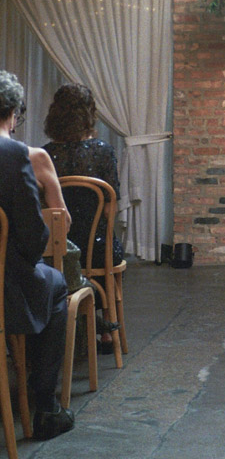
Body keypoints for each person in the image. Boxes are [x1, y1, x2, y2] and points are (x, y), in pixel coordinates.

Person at [0, 70, 75, 440]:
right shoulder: (14, 154)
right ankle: (44, 406)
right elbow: (32, 238)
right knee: (56, 284)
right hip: (6, 288)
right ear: (13, 113)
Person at [43, 83, 123, 350]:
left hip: (58, 249)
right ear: (90, 114)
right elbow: (111, 208)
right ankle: (107, 327)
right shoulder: (103, 151)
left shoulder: (45, 155)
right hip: (97, 248)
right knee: (106, 244)